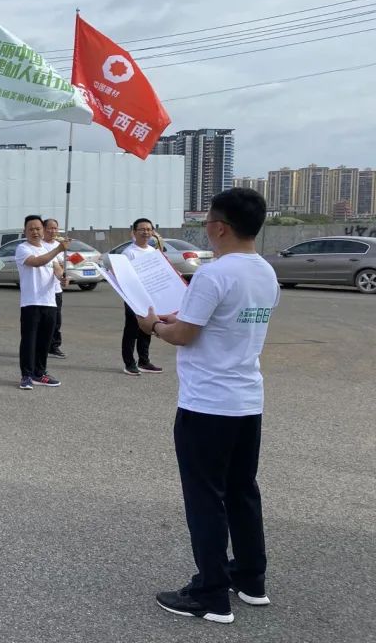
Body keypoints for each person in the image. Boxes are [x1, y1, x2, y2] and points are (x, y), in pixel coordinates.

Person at [139, 188, 278, 625]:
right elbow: (217, 324)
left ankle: (211, 594)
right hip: (246, 400)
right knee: (241, 491)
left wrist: (153, 326)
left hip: (207, 404)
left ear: (219, 227)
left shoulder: (214, 274)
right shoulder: (266, 272)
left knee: (205, 498)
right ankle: (251, 579)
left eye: (207, 223)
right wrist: (176, 321)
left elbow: (184, 335)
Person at [14, 215, 66, 390]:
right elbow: (36, 262)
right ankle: (26, 375)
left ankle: (40, 373)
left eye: (38, 228)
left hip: (49, 301)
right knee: (29, 341)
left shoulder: (47, 249)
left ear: (42, 230)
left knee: (45, 341)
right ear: (25, 231)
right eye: (31, 229)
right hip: (31, 302)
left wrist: (62, 277)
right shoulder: (22, 248)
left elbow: (57, 269)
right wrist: (58, 250)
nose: (35, 232)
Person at [122, 218, 166, 376]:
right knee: (131, 330)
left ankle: (144, 362)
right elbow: (124, 277)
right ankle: (129, 363)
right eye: (142, 229)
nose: (146, 232)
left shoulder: (153, 251)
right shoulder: (129, 252)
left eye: (149, 229)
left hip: (149, 296)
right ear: (134, 232)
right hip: (133, 297)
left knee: (147, 329)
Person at [43, 219, 67, 359]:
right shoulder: (40, 246)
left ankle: (54, 346)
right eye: (50, 228)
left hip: (56, 289)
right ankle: (42, 345)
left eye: (55, 228)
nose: (53, 231)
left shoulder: (60, 245)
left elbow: (61, 265)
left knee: (56, 320)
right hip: (43, 289)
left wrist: (63, 276)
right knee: (43, 320)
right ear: (44, 229)